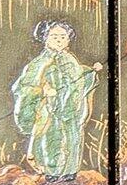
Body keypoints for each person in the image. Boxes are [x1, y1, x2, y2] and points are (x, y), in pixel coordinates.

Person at [11, 17, 97, 176]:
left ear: (68, 40)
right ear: (45, 39)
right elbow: (24, 87)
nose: (59, 40)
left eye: (63, 37)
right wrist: (43, 90)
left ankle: (70, 172)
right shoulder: (39, 63)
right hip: (49, 110)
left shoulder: (70, 60)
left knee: (71, 138)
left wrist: (90, 72)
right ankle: (52, 172)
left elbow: (78, 78)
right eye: (54, 37)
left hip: (70, 110)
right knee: (50, 140)